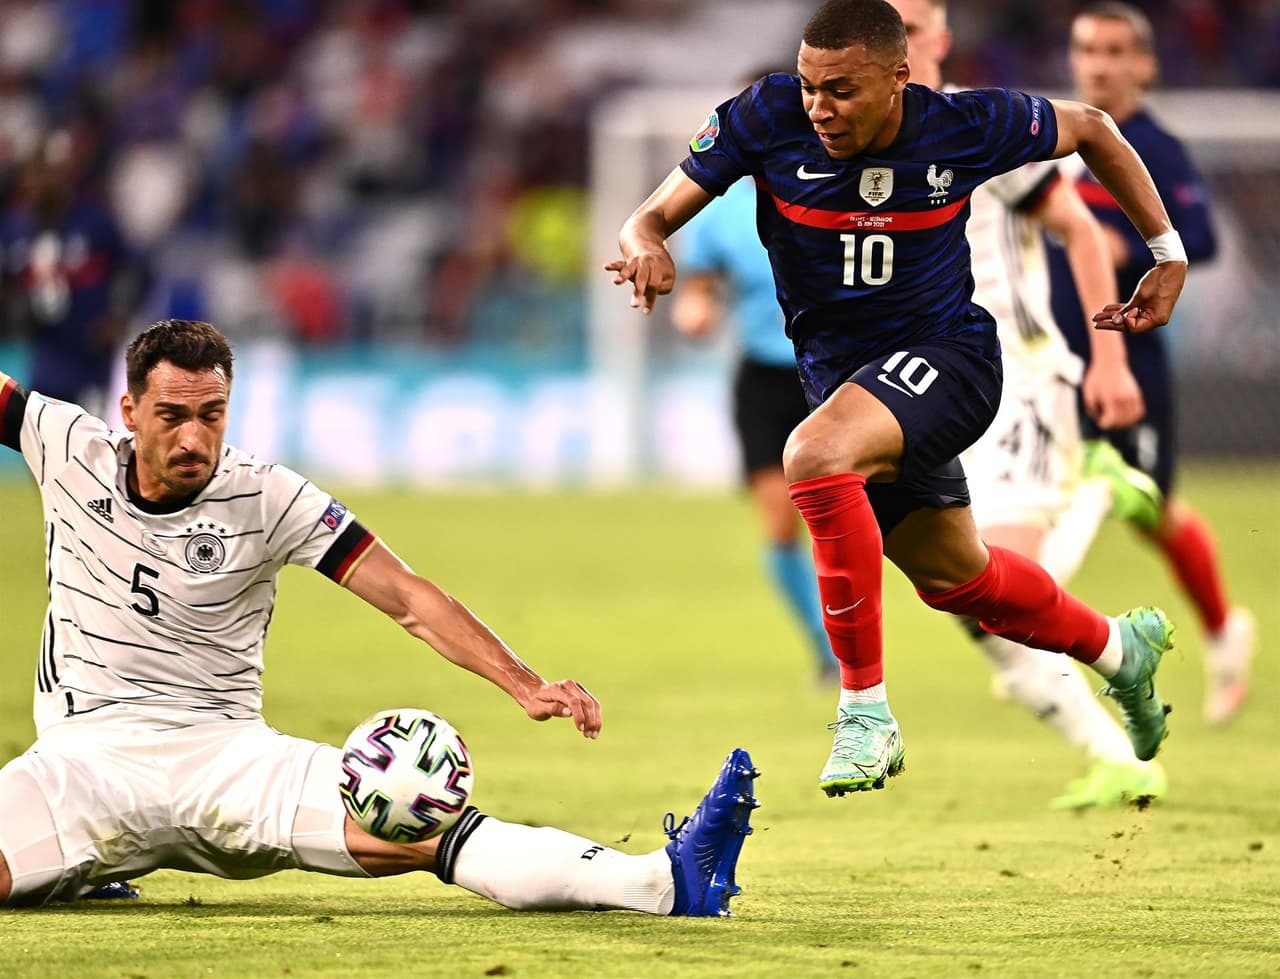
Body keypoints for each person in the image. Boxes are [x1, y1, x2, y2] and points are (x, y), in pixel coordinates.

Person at [606, 0, 1186, 797]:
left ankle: (865, 713)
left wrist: (1166, 251)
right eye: (811, 86)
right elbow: (650, 216)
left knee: (813, 453)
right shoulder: (764, 115)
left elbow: (1089, 125)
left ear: (898, 79)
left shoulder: (961, 125)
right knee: (963, 582)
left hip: (952, 360)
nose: (819, 107)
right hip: (847, 383)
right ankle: (1120, 648)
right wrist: (646, 247)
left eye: (841, 89)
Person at [0, 319, 758, 914]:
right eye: (171, 415)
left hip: (226, 760)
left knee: (422, 826)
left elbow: (407, 595)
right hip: (84, 761)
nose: (194, 437)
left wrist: (523, 682)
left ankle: (659, 882)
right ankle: (76, 871)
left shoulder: (268, 495)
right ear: (128, 409)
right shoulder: (65, 443)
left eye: (212, 414)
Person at [885, 0, 1166, 809]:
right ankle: (1120, 758)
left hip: (1017, 378)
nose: (897, 42)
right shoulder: (864, 142)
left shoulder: (978, 127)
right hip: (931, 387)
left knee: (1008, 587)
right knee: (960, 592)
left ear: (938, 40)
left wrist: (1108, 358)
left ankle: (1100, 489)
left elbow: (1080, 231)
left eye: (910, 28)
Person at [1046, 2, 1255, 727]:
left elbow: (1199, 236)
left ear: (1144, 64)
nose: (1098, 64)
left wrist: (1122, 246)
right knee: (1070, 492)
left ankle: (1223, 626)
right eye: (1086, 50)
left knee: (1148, 508)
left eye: (1113, 51)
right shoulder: (1051, 137)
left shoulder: (1155, 149)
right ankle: (1040, 637)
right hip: (1053, 356)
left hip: (1130, 357)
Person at [671, 73, 840, 685]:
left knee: (839, 517)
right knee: (778, 520)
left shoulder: (834, 186)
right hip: (764, 380)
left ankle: (846, 637)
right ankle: (826, 647)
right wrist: (695, 307)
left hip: (832, 374)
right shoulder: (720, 213)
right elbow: (699, 281)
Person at [0, 129, 148, 419]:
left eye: (57, 172)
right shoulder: (15, 228)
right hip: (45, 351)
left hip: (90, 351)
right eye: (42, 171)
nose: (48, 181)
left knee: (92, 441)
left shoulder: (95, 221)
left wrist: (119, 317)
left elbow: (139, 272)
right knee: (47, 444)